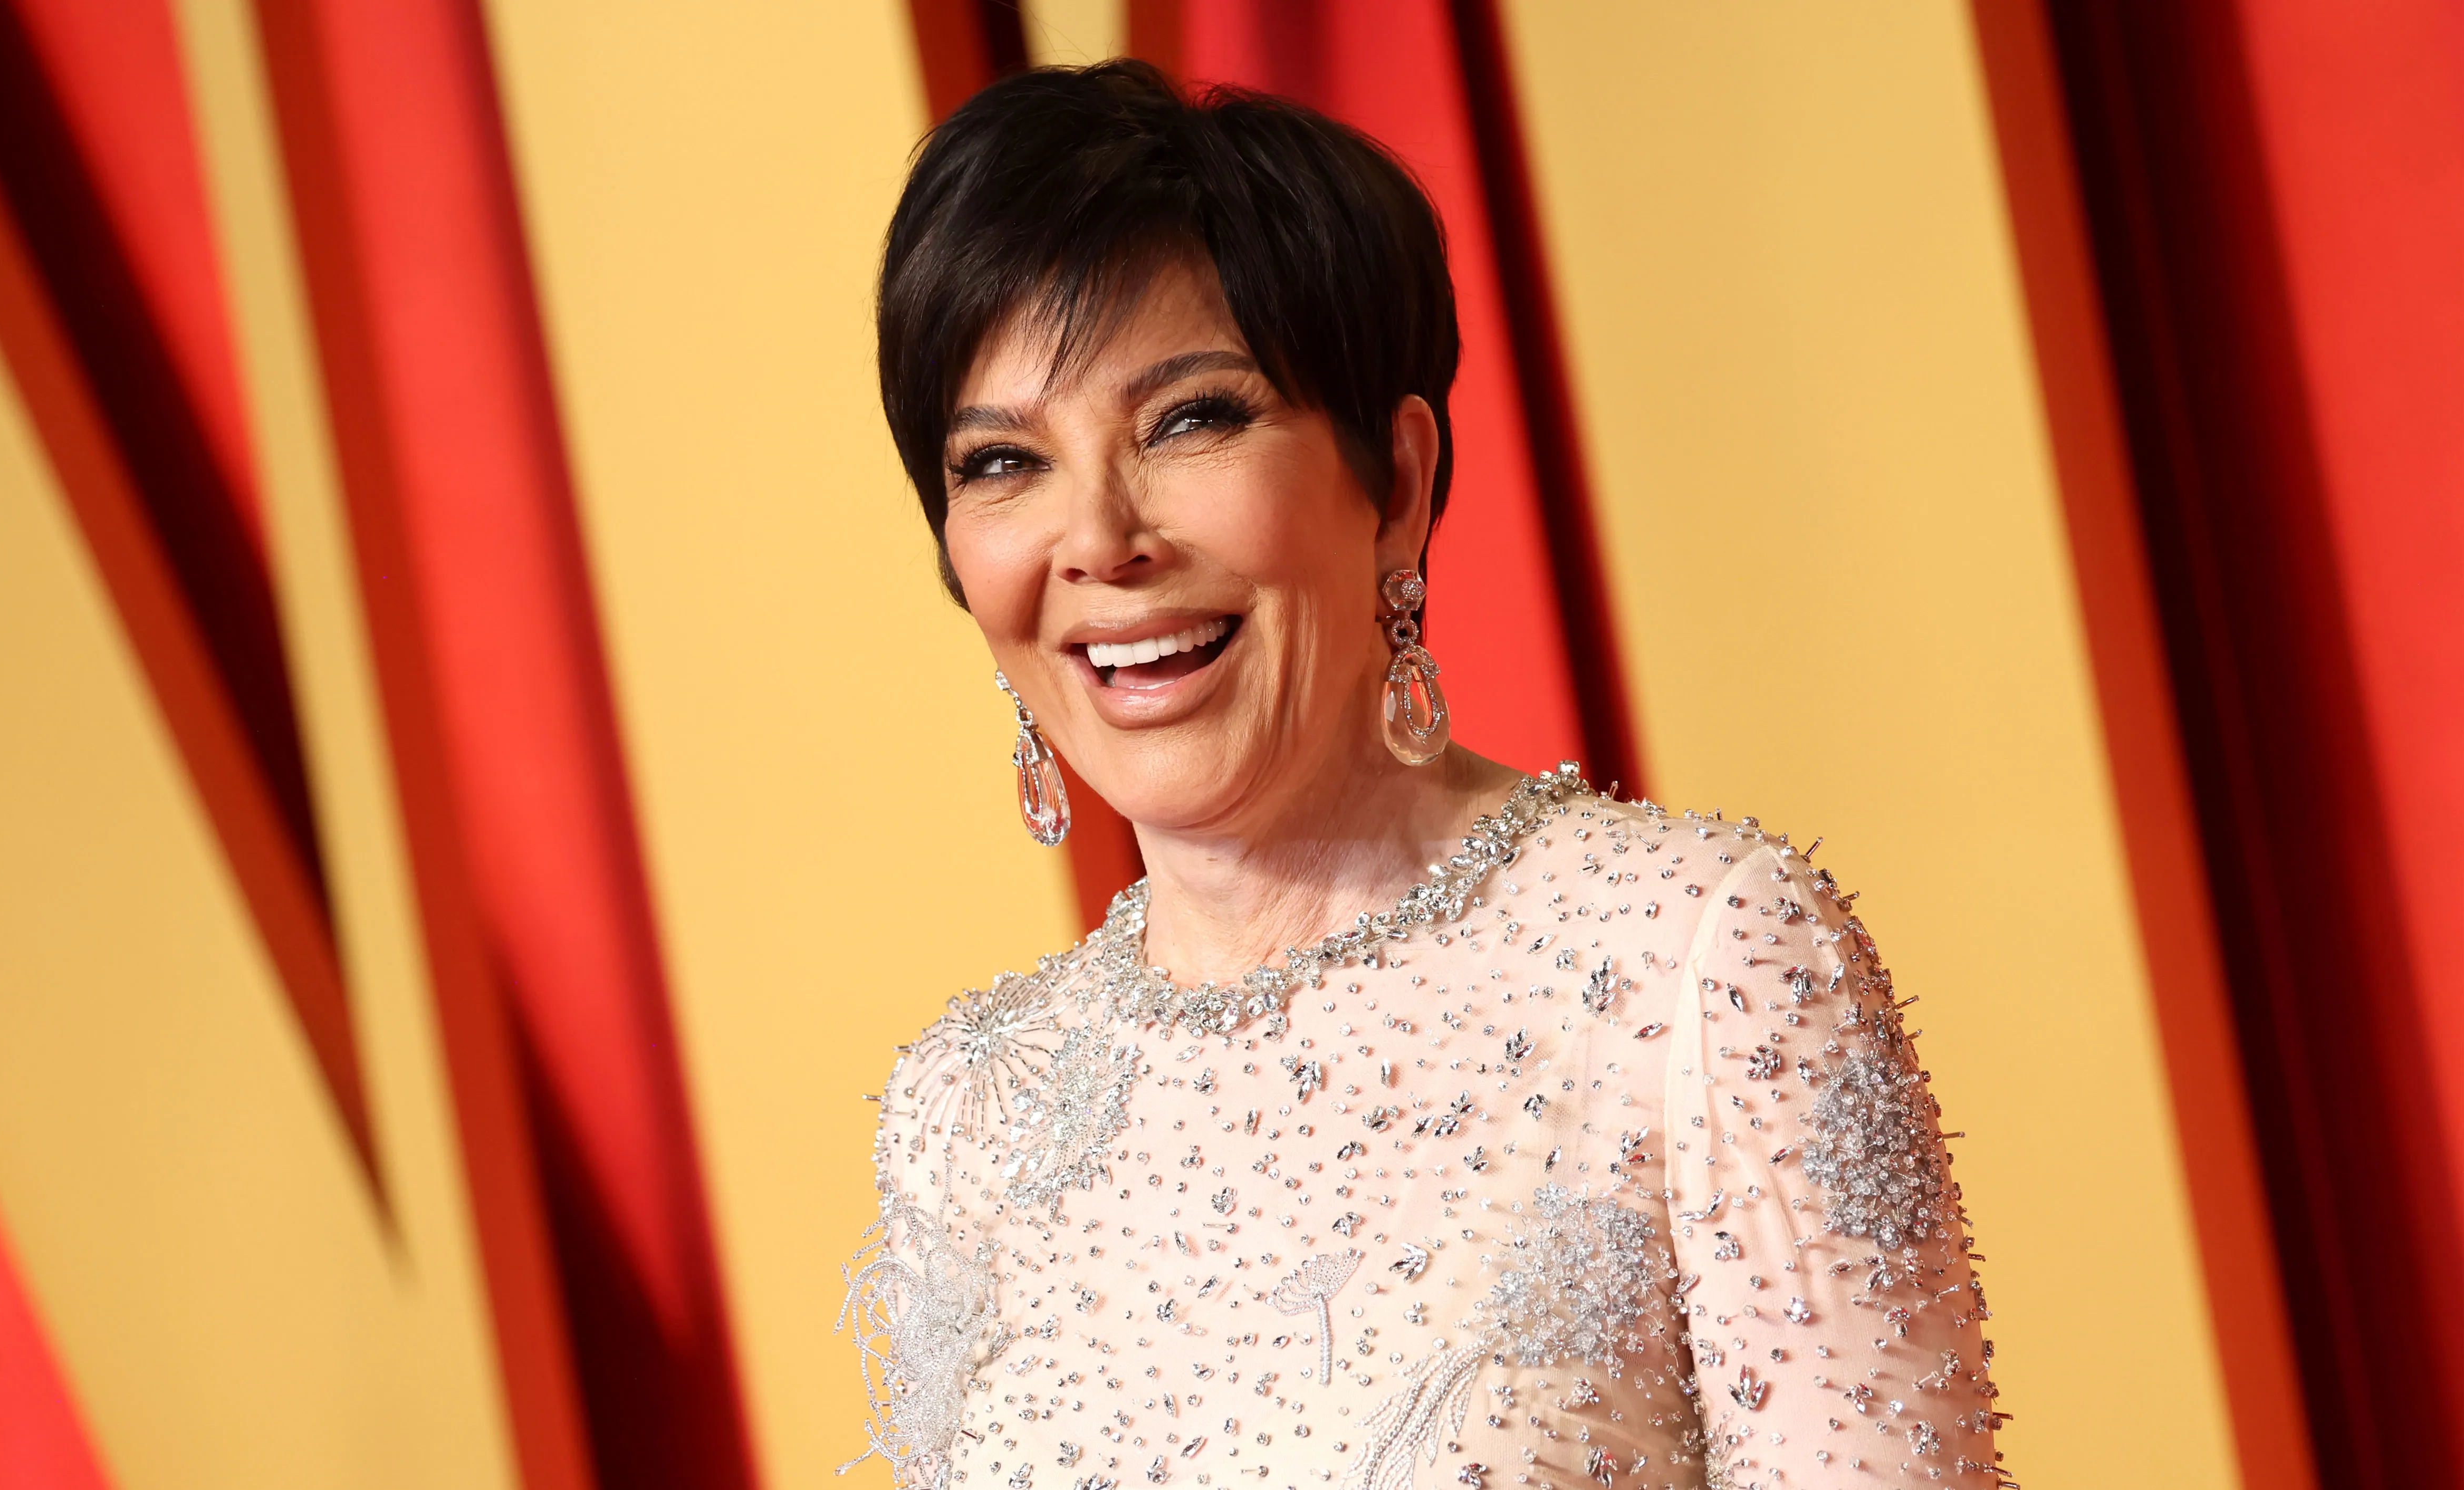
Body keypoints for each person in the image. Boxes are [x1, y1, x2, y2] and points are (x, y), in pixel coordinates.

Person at [840, 61, 2005, 1490]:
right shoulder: (969, 1113)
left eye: (1189, 421)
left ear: (1396, 480)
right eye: (1004, 461)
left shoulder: (1698, 963)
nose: (1100, 538)